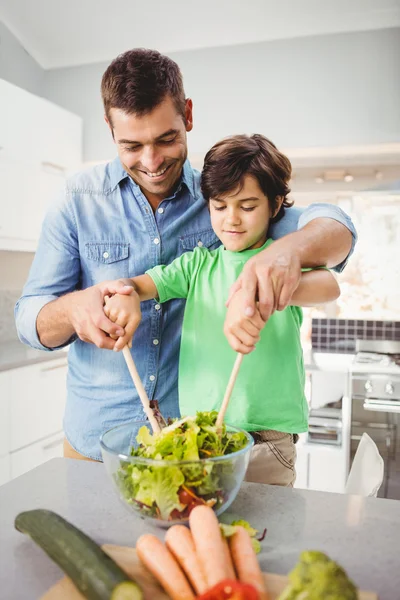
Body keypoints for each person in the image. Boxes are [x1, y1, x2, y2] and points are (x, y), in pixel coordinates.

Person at [15, 48, 355, 462]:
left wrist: (284, 254)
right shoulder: (77, 200)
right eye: (132, 145)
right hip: (95, 443)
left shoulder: (223, 194)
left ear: (188, 116)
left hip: (194, 446)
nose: (152, 161)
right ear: (109, 128)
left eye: (166, 139)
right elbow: (28, 316)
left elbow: (335, 230)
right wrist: (73, 311)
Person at [104, 134, 340, 486]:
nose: (232, 219)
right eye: (219, 206)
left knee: (266, 533)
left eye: (247, 207)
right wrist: (125, 296)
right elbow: (139, 286)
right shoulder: (197, 265)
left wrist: (268, 290)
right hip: (200, 437)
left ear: (275, 206)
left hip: (267, 439)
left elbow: (330, 286)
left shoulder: (279, 261)